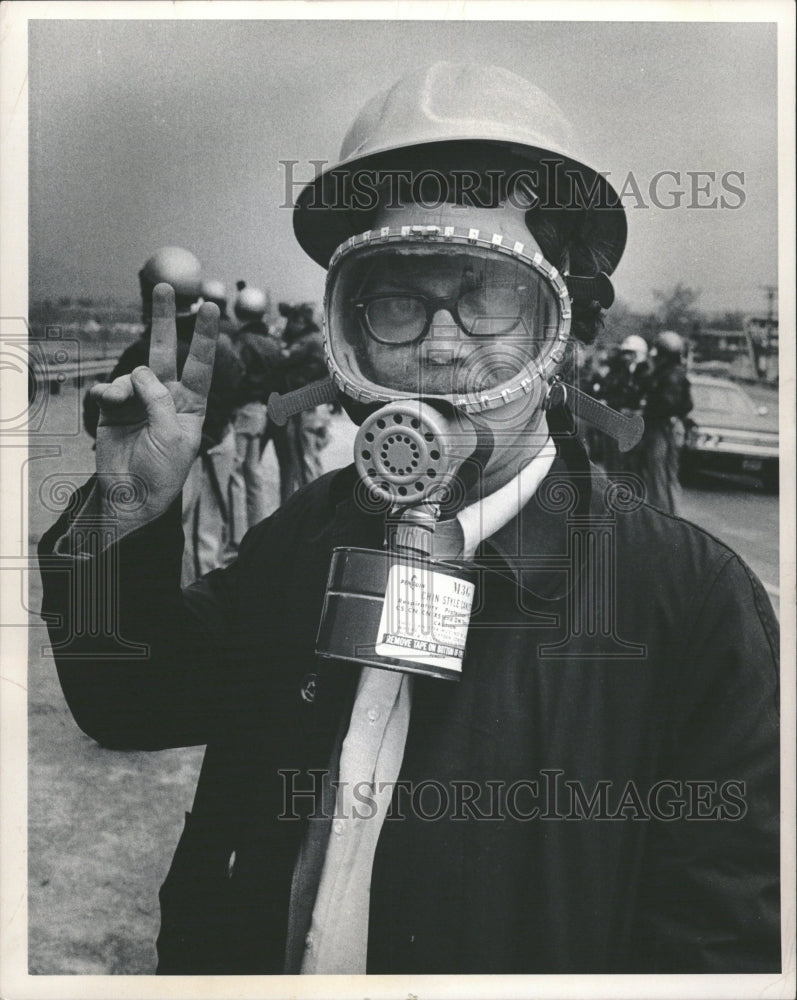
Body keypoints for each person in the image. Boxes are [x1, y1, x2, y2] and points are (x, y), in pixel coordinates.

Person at [40, 63, 778, 975]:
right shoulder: (306, 536)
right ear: (351, 327)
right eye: (395, 300)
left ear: (565, 324)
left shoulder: (686, 603)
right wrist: (126, 516)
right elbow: (130, 699)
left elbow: (715, 946)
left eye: (488, 293)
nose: (437, 342)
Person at [83, 247, 243, 584]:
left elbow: (98, 416)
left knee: (172, 542)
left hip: (169, 458)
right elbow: (235, 394)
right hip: (215, 448)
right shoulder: (222, 345)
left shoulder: (142, 354)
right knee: (208, 538)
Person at [230, 285, 282, 530]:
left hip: (242, 411)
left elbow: (234, 377)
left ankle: (237, 533)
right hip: (261, 410)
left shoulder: (241, 343)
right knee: (254, 473)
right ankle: (256, 527)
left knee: (236, 475)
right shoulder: (272, 344)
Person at [277, 302, 331, 501]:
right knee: (312, 459)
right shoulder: (321, 338)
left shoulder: (307, 341)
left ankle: (312, 506)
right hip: (318, 405)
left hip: (307, 406)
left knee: (304, 460)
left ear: (302, 321)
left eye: (294, 319)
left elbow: (281, 358)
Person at [638, 330, 693, 514]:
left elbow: (666, 403)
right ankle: (671, 512)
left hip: (659, 427)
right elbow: (687, 404)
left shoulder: (668, 375)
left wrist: (651, 409)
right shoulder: (676, 373)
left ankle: (661, 513)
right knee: (669, 472)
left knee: (657, 471)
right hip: (669, 425)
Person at [596, 334, 649, 475]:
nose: (626, 357)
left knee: (631, 462)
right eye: (624, 353)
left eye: (630, 353)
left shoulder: (646, 373)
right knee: (612, 457)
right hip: (617, 417)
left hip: (634, 420)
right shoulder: (618, 371)